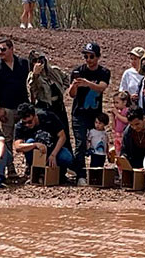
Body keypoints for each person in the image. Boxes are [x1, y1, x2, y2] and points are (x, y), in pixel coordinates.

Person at [69, 42, 110, 185]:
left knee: (97, 144)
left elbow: (101, 88)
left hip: (95, 115)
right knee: (80, 144)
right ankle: (80, 175)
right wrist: (74, 85)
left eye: (91, 56)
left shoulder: (104, 72)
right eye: (86, 56)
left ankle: (95, 173)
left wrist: (87, 83)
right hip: (79, 113)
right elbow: (71, 94)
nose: (88, 59)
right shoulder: (78, 71)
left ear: (98, 57)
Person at [0, 38, 30, 177]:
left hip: (24, 108)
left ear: (12, 49)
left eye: (3, 49)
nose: (0, 52)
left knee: (27, 137)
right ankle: (10, 168)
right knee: (7, 140)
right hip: (6, 108)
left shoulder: (23, 64)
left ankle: (29, 166)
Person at [14, 103, 75, 177]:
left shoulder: (48, 117)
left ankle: (59, 173)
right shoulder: (20, 126)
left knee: (67, 157)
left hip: (53, 149)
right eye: (24, 123)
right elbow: (17, 147)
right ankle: (35, 172)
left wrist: (53, 155)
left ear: (35, 115)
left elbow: (62, 136)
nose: (27, 125)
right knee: (29, 142)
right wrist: (35, 144)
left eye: (30, 122)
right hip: (37, 153)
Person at [27, 50, 70, 146]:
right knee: (49, 134)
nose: (38, 63)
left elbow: (66, 79)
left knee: (63, 132)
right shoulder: (33, 76)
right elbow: (32, 88)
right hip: (45, 107)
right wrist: (35, 75)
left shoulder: (54, 71)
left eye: (40, 60)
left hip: (58, 106)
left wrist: (62, 89)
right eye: (35, 61)